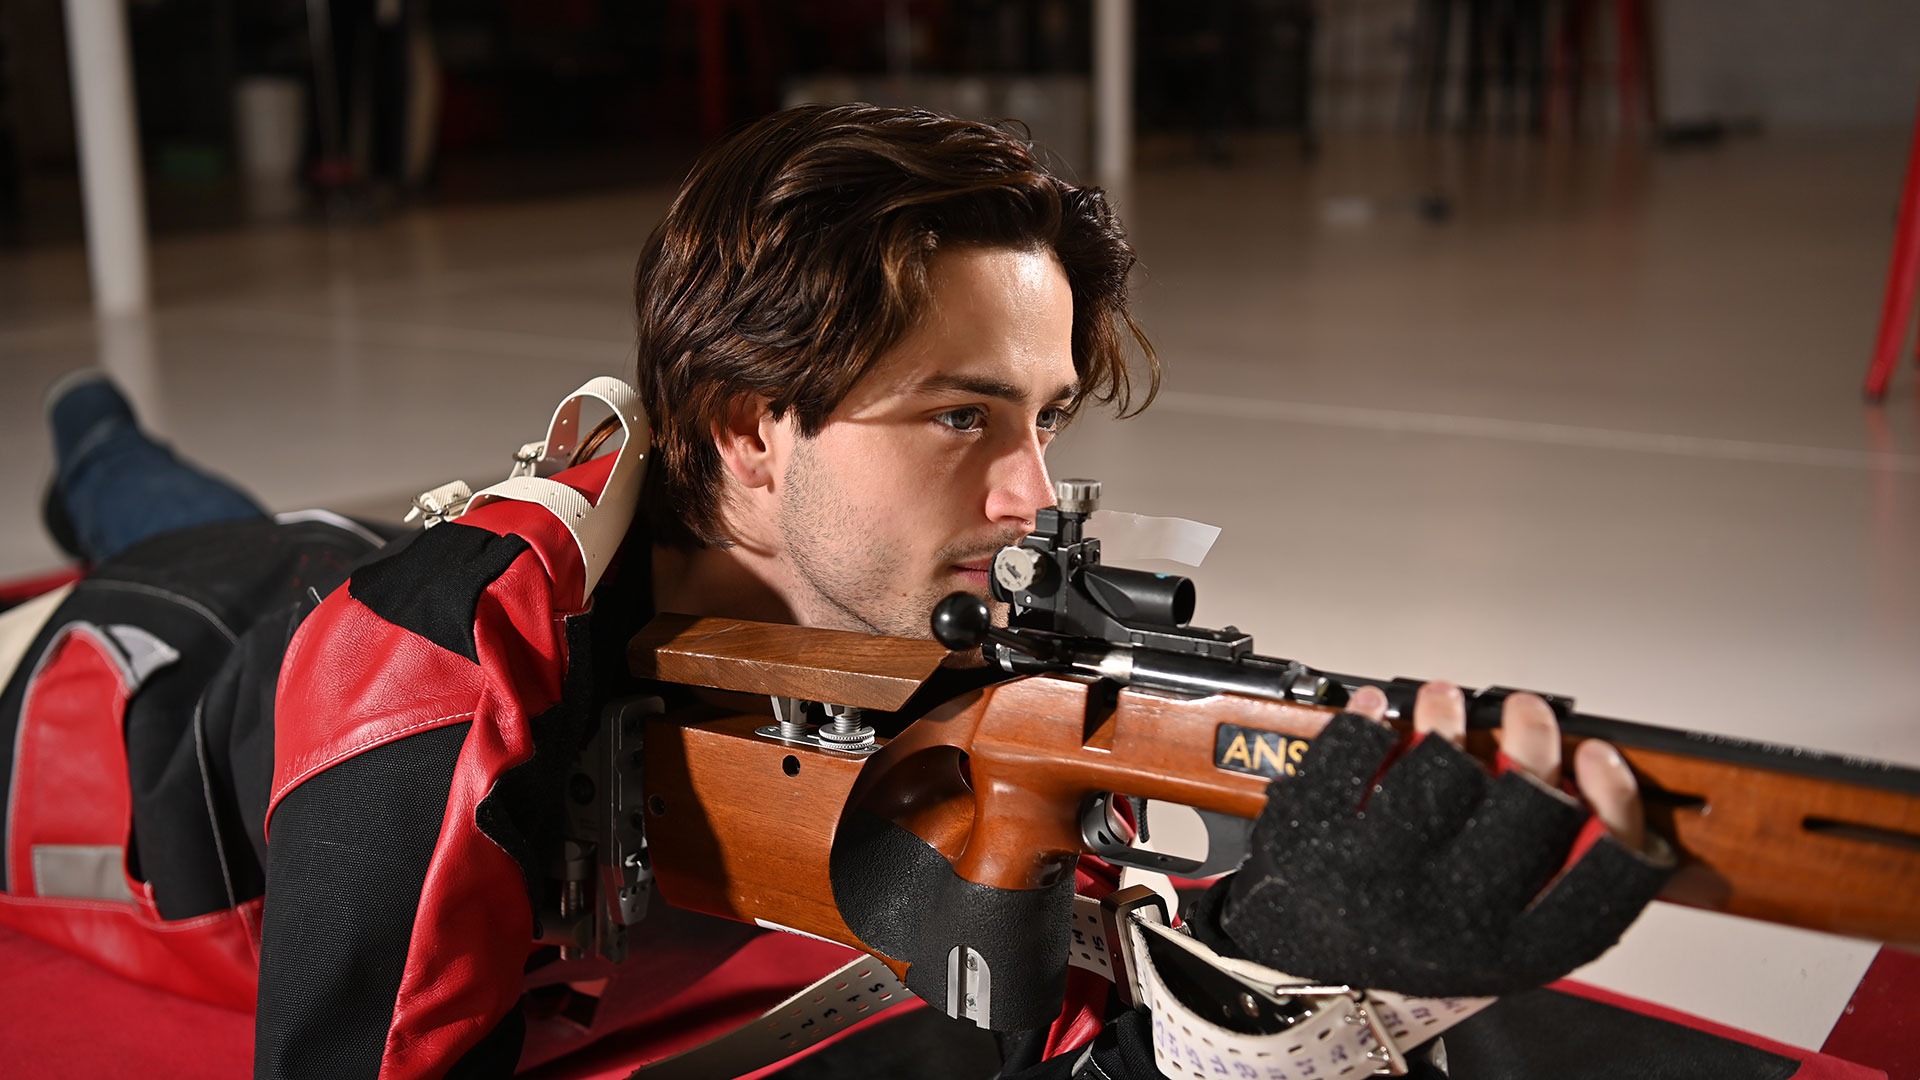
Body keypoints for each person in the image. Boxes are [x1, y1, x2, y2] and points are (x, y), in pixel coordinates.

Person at [0, 104, 1668, 1080]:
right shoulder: (432, 681)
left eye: (1042, 419)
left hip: (330, 556)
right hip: (137, 678)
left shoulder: (907, 596)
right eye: (960, 417)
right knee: (148, 521)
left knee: (216, 505)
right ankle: (84, 423)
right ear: (745, 427)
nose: (1028, 498)